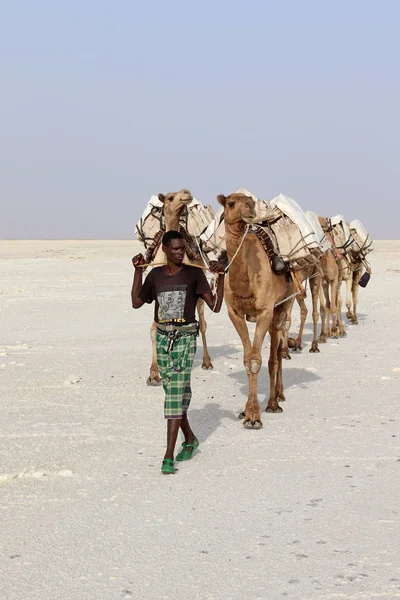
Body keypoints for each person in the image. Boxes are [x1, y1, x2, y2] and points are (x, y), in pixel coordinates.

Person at [131, 230, 225, 474]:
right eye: (174, 249)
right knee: (175, 395)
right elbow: (136, 302)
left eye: (182, 248)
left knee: (173, 396)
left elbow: (214, 306)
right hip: (162, 340)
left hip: (185, 339)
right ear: (164, 249)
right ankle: (191, 439)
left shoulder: (194, 274)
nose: (180, 252)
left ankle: (168, 456)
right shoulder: (155, 276)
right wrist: (138, 271)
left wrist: (221, 277)